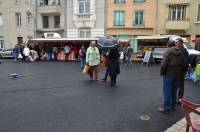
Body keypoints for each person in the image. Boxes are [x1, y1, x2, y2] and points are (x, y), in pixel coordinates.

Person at [159, 39, 187, 113]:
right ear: (174, 44)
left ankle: (166, 108)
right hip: (177, 74)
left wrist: (162, 72)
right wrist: (179, 70)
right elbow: (184, 64)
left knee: (167, 91)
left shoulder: (167, 51)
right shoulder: (180, 52)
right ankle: (173, 107)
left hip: (168, 74)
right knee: (174, 91)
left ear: (168, 45)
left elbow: (163, 64)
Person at [176, 38, 189, 104]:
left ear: (180, 43)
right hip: (179, 70)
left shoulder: (183, 50)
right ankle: (179, 98)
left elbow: (185, 61)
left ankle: (180, 99)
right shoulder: (179, 49)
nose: (176, 44)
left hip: (181, 71)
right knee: (178, 84)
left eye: (177, 42)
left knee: (180, 85)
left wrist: (180, 68)